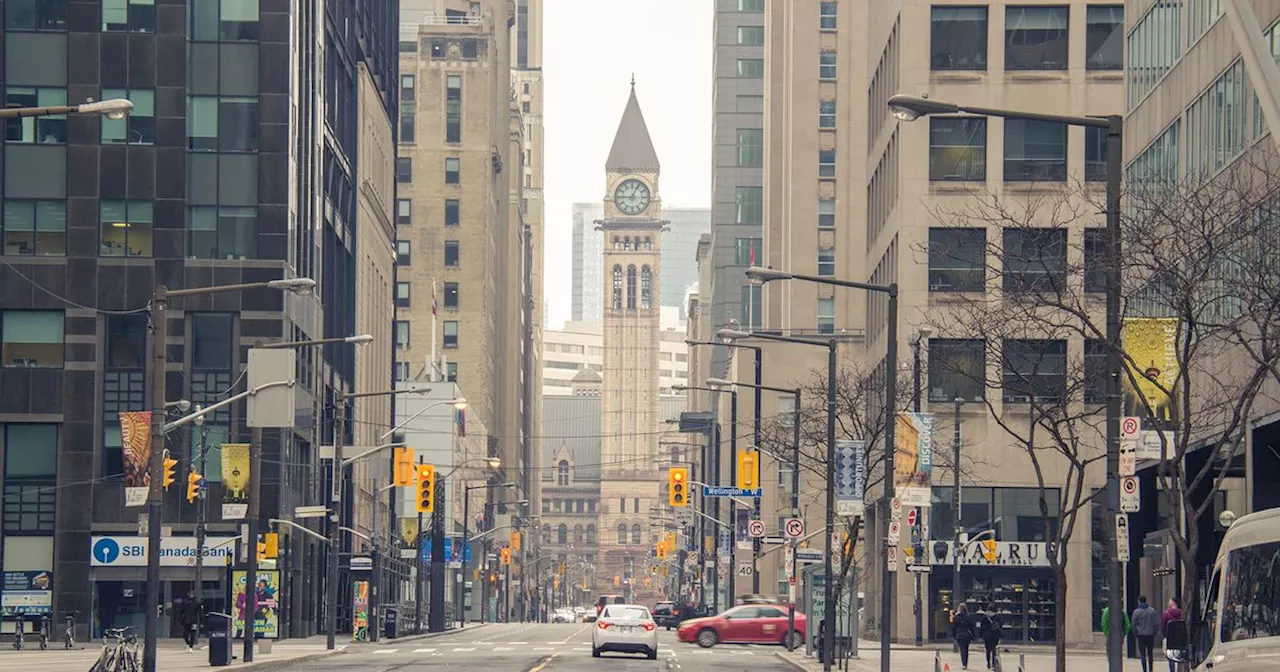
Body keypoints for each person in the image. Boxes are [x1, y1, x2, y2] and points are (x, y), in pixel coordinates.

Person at [1132, 596, 1160, 672]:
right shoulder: (1152, 611)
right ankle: (1151, 669)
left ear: (1139, 601)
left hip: (1141, 635)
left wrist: (1135, 633)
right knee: (1150, 653)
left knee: (1143, 654)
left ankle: (1144, 670)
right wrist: (1155, 632)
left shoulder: (1136, 612)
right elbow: (1156, 623)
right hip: (1150, 635)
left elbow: (1133, 624)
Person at [1161, 597, 1184, 672]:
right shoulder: (1182, 613)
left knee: (1171, 655)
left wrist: (1165, 635)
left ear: (1173, 603)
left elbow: (1162, 626)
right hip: (1180, 637)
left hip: (1170, 637)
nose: (1168, 603)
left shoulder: (1166, 614)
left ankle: (1172, 670)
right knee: (1181, 654)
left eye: (1170, 602)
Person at [977, 603, 1002, 670]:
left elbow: (982, 627)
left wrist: (980, 636)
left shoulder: (984, 617)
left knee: (988, 650)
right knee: (994, 650)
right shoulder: (997, 617)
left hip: (986, 636)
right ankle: (994, 664)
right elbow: (1000, 626)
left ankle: (988, 663)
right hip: (995, 635)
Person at [952, 602, 976, 670]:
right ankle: (965, 663)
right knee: (966, 649)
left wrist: (954, 635)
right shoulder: (968, 617)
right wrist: (973, 635)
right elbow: (972, 627)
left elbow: (954, 627)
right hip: (967, 635)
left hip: (959, 635)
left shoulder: (956, 617)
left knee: (962, 649)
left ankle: (963, 664)